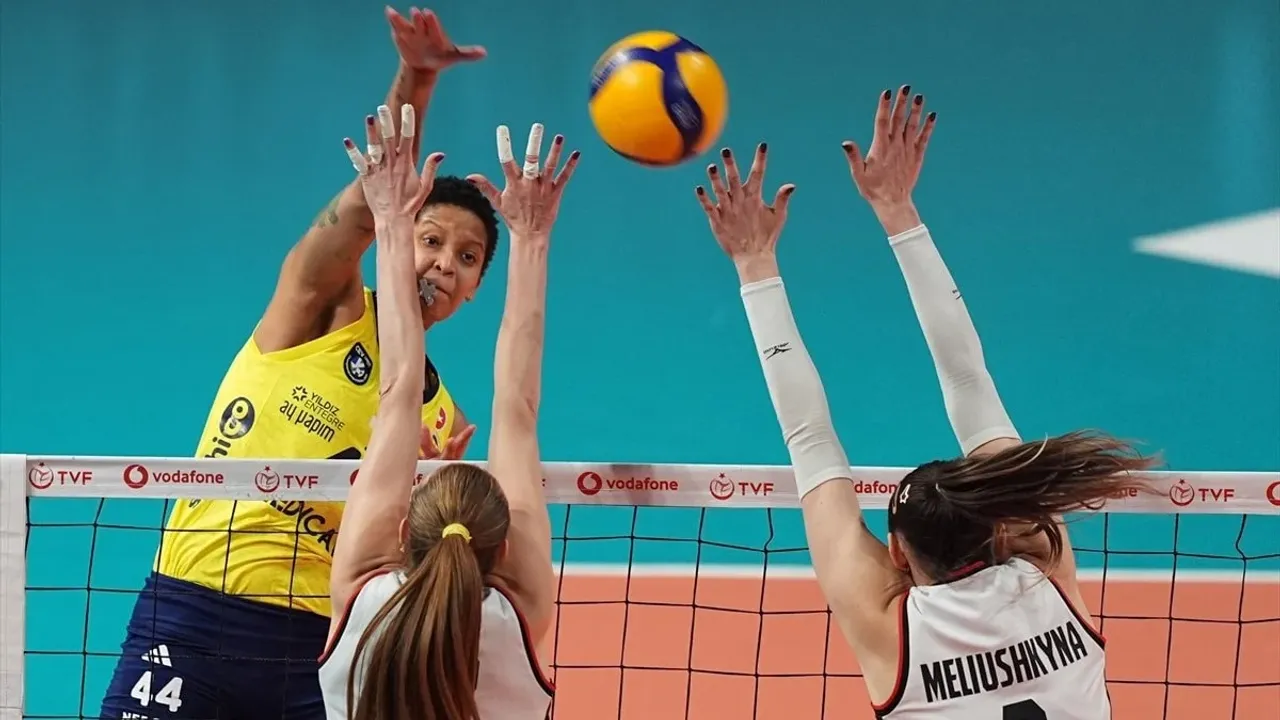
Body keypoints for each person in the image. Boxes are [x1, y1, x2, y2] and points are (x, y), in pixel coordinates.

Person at [694, 87, 1155, 719]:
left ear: (896, 554)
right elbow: (959, 383)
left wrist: (755, 262)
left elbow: (812, 434)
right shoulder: (1043, 568)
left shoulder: (900, 627)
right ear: (998, 527)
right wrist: (897, 211)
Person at [100, 8, 490, 719]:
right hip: (193, 611)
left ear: (475, 289)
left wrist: (428, 501)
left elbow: (417, 564)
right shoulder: (322, 303)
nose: (443, 263)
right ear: (399, 229)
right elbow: (368, 202)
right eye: (431, 238)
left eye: (467, 258)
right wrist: (418, 78)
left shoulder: (447, 421)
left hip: (316, 647)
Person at [317, 113, 577, 720]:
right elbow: (517, 409)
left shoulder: (362, 597)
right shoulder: (519, 616)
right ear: (503, 547)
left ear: (403, 531)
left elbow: (398, 390)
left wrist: (390, 222)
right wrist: (533, 238)